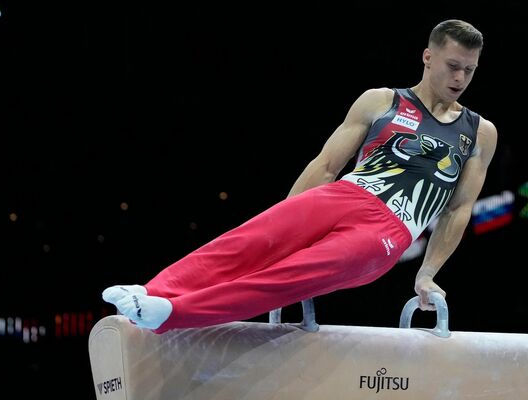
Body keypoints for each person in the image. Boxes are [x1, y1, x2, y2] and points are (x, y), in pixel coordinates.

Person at [102, 19, 498, 333]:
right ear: (427, 57)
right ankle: (152, 291)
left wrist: (426, 274)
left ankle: (170, 313)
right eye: (453, 66)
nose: (461, 78)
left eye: (470, 70)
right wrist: (284, 228)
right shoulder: (381, 100)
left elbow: (458, 210)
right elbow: (325, 167)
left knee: (289, 276)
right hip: (344, 194)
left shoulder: (478, 132)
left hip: (389, 229)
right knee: (252, 240)